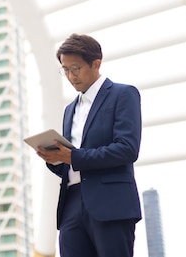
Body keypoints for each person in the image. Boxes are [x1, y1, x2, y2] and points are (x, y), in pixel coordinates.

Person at [36, 33, 142, 257]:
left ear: (96, 64)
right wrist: (54, 158)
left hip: (110, 203)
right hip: (71, 206)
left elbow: (127, 149)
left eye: (75, 68)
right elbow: (71, 162)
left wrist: (73, 157)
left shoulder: (123, 94)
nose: (70, 76)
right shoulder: (69, 110)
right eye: (65, 70)